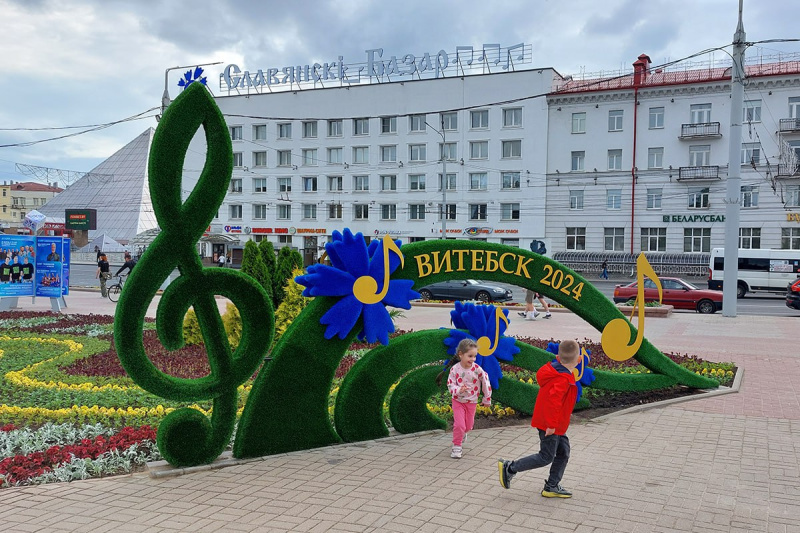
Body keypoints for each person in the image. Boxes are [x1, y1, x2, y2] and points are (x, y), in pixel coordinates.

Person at [498, 339, 581, 498]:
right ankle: (510, 468)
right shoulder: (562, 378)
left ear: (558, 357)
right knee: (546, 456)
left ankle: (551, 486)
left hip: (556, 424)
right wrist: (551, 425)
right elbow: (553, 403)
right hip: (550, 424)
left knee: (563, 452)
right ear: (578, 360)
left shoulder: (557, 371)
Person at [445, 338, 492, 459]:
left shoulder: (477, 369)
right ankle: (456, 446)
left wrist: (487, 398)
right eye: (470, 356)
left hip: (472, 401)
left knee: (468, 426)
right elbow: (450, 384)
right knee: (459, 425)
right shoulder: (455, 369)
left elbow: (485, 381)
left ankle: (462, 433)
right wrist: (458, 390)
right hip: (458, 401)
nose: (473, 359)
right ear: (461, 354)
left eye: (475, 356)